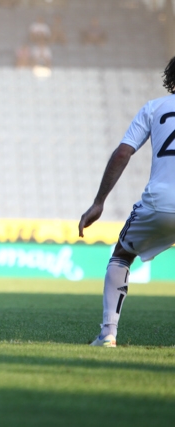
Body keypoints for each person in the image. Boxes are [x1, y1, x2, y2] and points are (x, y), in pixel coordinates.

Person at [79, 56, 175, 347]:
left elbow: (123, 153)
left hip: (160, 202)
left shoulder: (155, 107)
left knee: (122, 254)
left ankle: (108, 333)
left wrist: (98, 202)